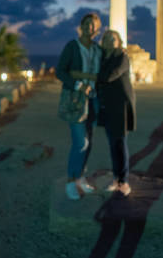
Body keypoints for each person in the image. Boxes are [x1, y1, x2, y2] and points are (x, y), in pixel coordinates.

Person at [56, 13, 102, 200]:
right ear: (81, 26)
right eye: (87, 24)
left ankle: (81, 177)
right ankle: (70, 181)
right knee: (80, 142)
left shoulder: (98, 49)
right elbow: (61, 71)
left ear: (97, 30)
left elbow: (101, 74)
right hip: (75, 99)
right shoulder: (72, 46)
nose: (90, 28)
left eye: (94, 25)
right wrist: (79, 83)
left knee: (89, 142)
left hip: (94, 100)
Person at [97, 30, 136, 197]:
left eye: (113, 38)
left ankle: (124, 181)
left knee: (120, 143)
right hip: (107, 105)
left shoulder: (122, 57)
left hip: (121, 104)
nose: (109, 41)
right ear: (102, 42)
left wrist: (91, 76)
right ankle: (116, 179)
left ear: (119, 41)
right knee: (112, 144)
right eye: (106, 38)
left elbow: (110, 76)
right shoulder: (102, 58)